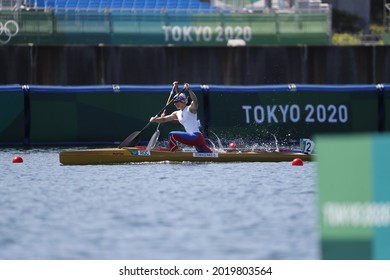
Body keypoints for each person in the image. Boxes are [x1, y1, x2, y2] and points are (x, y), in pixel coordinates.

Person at [150, 82, 213, 153]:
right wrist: (155, 119)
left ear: (183, 101)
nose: (175, 103)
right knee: (210, 154)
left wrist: (189, 90)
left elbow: (195, 101)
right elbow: (164, 119)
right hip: (195, 139)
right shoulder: (177, 113)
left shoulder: (190, 109)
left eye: (177, 101)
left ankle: (174, 152)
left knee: (172, 135)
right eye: (174, 102)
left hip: (195, 136)